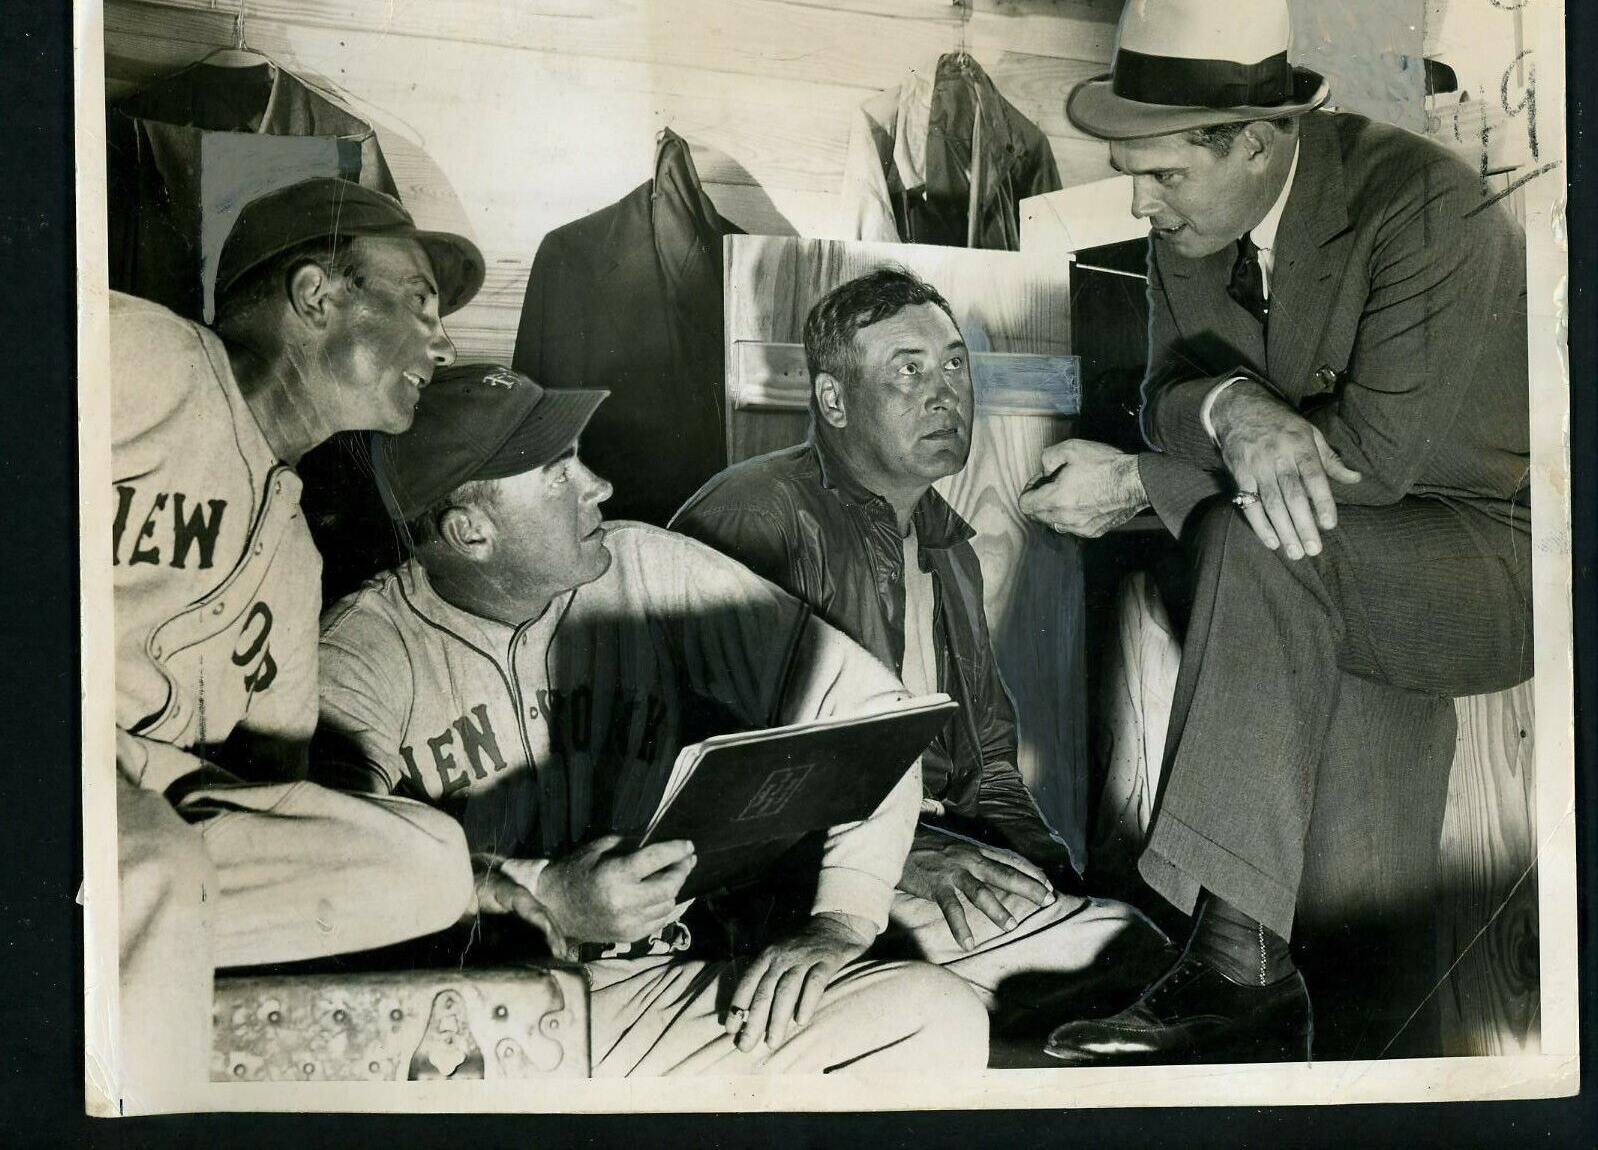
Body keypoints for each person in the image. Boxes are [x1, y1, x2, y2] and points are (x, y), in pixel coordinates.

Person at [1018, 0, 1533, 1063]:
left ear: (1254, 140)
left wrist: (1139, 490)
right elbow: (1162, 400)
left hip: (1478, 559)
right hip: (1317, 578)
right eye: (1131, 176)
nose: (1141, 205)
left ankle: (1228, 964)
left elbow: (1375, 469)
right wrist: (1227, 402)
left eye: (1159, 174)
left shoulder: (1427, 207)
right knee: (1360, 941)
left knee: (1253, 543)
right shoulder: (1192, 221)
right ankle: (1326, 1026)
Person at [313, 363, 990, 1077]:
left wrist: (841, 918)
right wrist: (540, 891)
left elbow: (874, 712)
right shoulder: (360, 651)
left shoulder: (643, 566)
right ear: (471, 531)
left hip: (659, 992)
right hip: (471, 1019)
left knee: (937, 1016)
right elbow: (324, 864)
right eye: (558, 472)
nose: (597, 485)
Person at [671, 268, 1171, 1038]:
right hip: (798, 886)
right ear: (833, 400)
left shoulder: (948, 546)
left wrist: (1047, 873)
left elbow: (988, 763)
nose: (944, 392)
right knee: (1118, 966)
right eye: (907, 370)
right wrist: (896, 857)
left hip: (929, 849)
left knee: (1132, 943)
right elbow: (708, 772)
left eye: (954, 364)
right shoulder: (754, 513)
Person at [111, 177, 489, 1108]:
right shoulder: (146, 357)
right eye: (417, 302)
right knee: (158, 865)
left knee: (428, 864)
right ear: (318, 297)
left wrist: (506, 884)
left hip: (145, 823)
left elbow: (263, 793)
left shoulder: (293, 554)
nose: (440, 343)